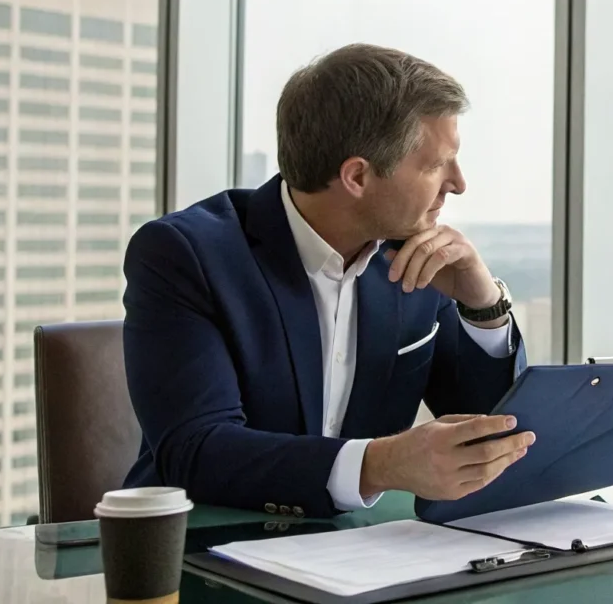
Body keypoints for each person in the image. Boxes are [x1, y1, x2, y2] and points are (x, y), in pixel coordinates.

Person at [121, 43, 534, 517]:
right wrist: (380, 464)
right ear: (357, 176)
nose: (458, 183)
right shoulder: (186, 256)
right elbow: (196, 451)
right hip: (204, 553)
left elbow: (499, 435)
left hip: (361, 558)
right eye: (436, 164)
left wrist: (483, 306)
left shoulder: (415, 258)